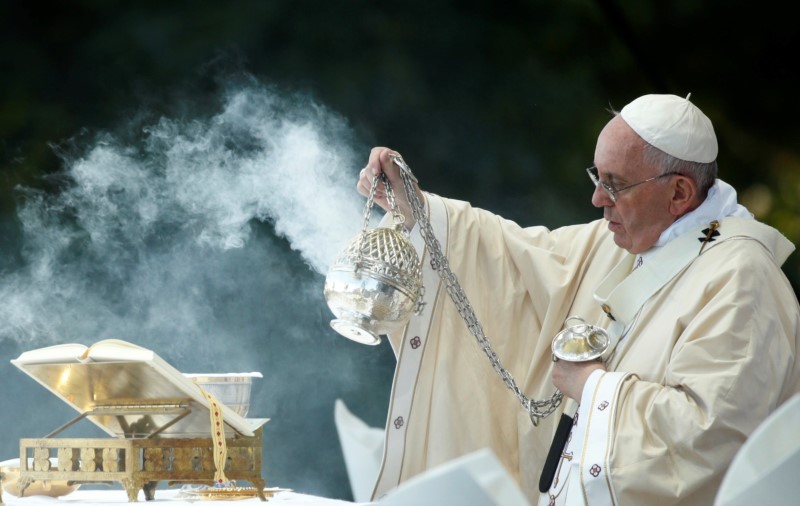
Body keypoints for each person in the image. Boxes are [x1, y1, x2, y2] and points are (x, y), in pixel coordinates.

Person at [354, 94, 800, 505]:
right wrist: (419, 210)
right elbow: (514, 262)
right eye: (596, 176)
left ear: (679, 193)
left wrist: (593, 387)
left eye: (615, 184)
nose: (596, 198)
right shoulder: (623, 242)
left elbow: (712, 436)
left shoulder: (743, 279)